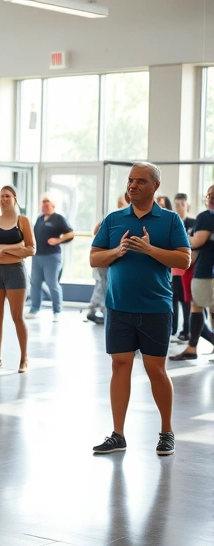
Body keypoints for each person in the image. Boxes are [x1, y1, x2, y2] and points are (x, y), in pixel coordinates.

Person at [91, 163, 189, 456]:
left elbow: (183, 260)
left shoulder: (170, 220)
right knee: (119, 366)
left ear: (155, 186)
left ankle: (166, 432)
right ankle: (117, 434)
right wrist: (117, 251)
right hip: (119, 307)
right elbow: (95, 258)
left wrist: (149, 250)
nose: (132, 185)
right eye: (130, 181)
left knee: (155, 370)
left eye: (140, 181)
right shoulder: (114, 219)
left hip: (155, 309)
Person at [0, 186, 34, 373]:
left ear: (15, 199)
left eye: (7, 196)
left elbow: (30, 249)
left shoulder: (23, 221)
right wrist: (14, 247)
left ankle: (24, 358)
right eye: (1, 196)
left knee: (17, 316)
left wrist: (4, 250)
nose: (4, 199)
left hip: (15, 272)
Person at [170, 185, 214, 361]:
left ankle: (192, 348)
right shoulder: (205, 217)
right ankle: (192, 348)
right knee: (203, 308)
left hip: (206, 273)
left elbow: (196, 242)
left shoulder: (206, 217)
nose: (210, 197)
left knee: (198, 307)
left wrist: (177, 236)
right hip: (203, 270)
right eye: (209, 194)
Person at [27, 194, 74, 320]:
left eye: (47, 201)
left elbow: (70, 233)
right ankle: (34, 309)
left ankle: (57, 311)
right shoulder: (40, 219)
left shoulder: (58, 218)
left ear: (53, 204)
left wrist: (58, 240)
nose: (44, 204)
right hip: (37, 257)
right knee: (35, 283)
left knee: (52, 283)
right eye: (43, 202)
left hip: (52, 257)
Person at [86, 194, 130, 325]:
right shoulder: (113, 217)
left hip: (110, 258)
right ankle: (102, 311)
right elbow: (95, 231)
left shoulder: (116, 217)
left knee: (102, 284)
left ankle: (95, 309)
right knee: (105, 285)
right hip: (106, 258)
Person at [171, 193, 195, 340]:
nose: (179, 208)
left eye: (182, 204)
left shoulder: (194, 223)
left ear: (187, 206)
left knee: (187, 302)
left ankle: (187, 331)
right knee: (174, 299)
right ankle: (173, 330)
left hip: (189, 269)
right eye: (176, 205)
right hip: (174, 269)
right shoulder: (172, 223)